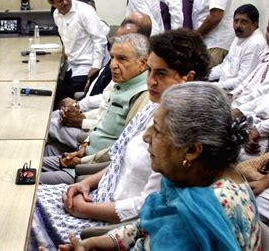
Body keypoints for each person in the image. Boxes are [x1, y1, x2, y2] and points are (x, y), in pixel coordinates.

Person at [29, 29, 210, 249]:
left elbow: (148, 206)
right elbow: (119, 159)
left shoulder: (182, 130)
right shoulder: (154, 107)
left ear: (187, 78)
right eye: (150, 71)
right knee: (24, 197)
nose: (150, 81)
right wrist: (86, 183)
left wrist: (83, 209)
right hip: (95, 197)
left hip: (107, 222)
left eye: (160, 74)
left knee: (26, 216)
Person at [59, 82, 260, 251]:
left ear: (191, 150)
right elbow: (145, 226)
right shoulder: (196, 177)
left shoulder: (196, 216)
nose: (146, 137)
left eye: (157, 131)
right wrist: (100, 242)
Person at [42, 33, 149, 185]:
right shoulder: (122, 84)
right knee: (25, 167)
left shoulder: (141, 94)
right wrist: (83, 147)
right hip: (84, 155)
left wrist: (82, 160)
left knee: (27, 180)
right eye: (112, 57)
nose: (113, 64)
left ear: (143, 64)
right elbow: (101, 122)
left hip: (90, 170)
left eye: (122, 59)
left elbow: (123, 148)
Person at [46, 0, 109, 107]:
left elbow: (100, 39)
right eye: (59, 1)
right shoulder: (56, 15)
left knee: (59, 99)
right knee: (55, 92)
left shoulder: (85, 11)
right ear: (52, 3)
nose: (65, 2)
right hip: (73, 65)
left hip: (89, 66)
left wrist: (96, 66)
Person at [209, 4, 266, 91]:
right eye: (236, 21)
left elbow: (243, 81)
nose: (238, 25)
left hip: (235, 94)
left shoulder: (255, 44)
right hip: (222, 88)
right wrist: (204, 75)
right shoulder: (240, 36)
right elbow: (225, 66)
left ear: (255, 24)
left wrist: (214, 87)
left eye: (243, 22)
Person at [231, 14, 269, 107]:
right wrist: (230, 96)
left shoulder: (256, 44)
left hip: (251, 109)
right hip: (240, 100)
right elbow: (247, 83)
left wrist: (238, 108)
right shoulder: (268, 53)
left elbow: (262, 92)